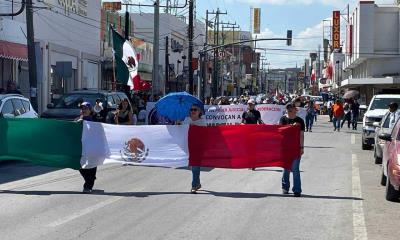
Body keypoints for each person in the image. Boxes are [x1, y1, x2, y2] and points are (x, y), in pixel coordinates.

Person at [280, 103, 305, 197]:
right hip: (285, 147)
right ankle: (285, 187)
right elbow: (281, 132)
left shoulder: (300, 121)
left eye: (291, 109)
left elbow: (302, 135)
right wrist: (291, 127)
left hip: (296, 147)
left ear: (296, 110)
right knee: (286, 168)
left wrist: (301, 147)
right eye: (288, 109)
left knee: (295, 169)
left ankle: (297, 190)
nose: (289, 110)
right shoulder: (283, 119)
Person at [183, 104, 207, 193]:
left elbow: (204, 133)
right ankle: (198, 183)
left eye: (195, 110)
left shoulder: (203, 121)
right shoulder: (186, 120)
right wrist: (178, 124)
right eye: (191, 109)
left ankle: (194, 185)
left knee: (195, 165)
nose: (193, 111)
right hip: (188, 146)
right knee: (194, 166)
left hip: (198, 147)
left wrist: (192, 125)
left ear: (199, 112)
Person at [75, 102, 97, 193]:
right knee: (80, 166)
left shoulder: (94, 121)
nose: (84, 110)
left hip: (92, 147)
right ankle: (90, 179)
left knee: (91, 166)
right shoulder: (78, 120)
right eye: (82, 108)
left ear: (90, 110)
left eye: (86, 108)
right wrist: (77, 124)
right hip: (81, 147)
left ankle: (88, 186)